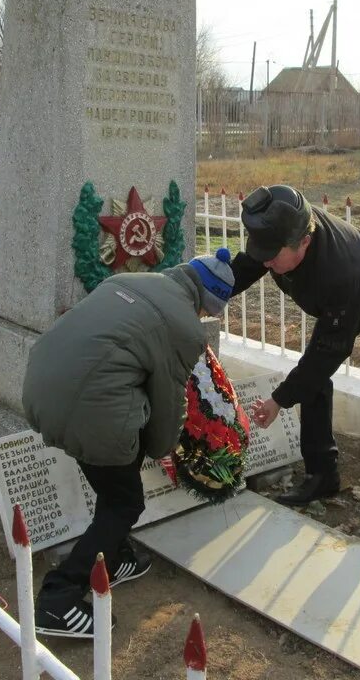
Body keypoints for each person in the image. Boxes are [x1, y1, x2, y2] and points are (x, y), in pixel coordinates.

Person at [23, 248, 235, 639]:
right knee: (125, 502)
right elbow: (169, 403)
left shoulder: (126, 280)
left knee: (113, 481)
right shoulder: (185, 328)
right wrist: (164, 449)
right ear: (206, 304)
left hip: (40, 390)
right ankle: (59, 598)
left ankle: (115, 557)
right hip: (91, 410)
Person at [230, 185, 360, 532]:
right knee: (313, 382)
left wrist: (279, 400)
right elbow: (244, 268)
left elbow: (331, 350)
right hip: (341, 306)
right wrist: (203, 293)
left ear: (304, 242)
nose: (265, 261)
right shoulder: (282, 230)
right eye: (262, 251)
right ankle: (322, 474)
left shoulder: (338, 269)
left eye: (272, 254)